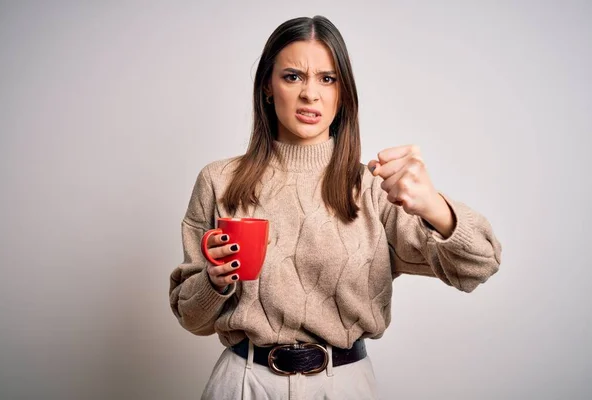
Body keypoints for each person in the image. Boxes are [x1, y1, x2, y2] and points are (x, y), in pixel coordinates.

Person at [169, 15, 502, 400]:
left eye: (327, 79)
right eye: (293, 76)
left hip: (343, 386)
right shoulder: (219, 180)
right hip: (244, 384)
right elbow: (191, 316)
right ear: (267, 87)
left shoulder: (373, 187)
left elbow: (480, 265)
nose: (311, 94)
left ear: (343, 93)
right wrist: (215, 281)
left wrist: (433, 206)